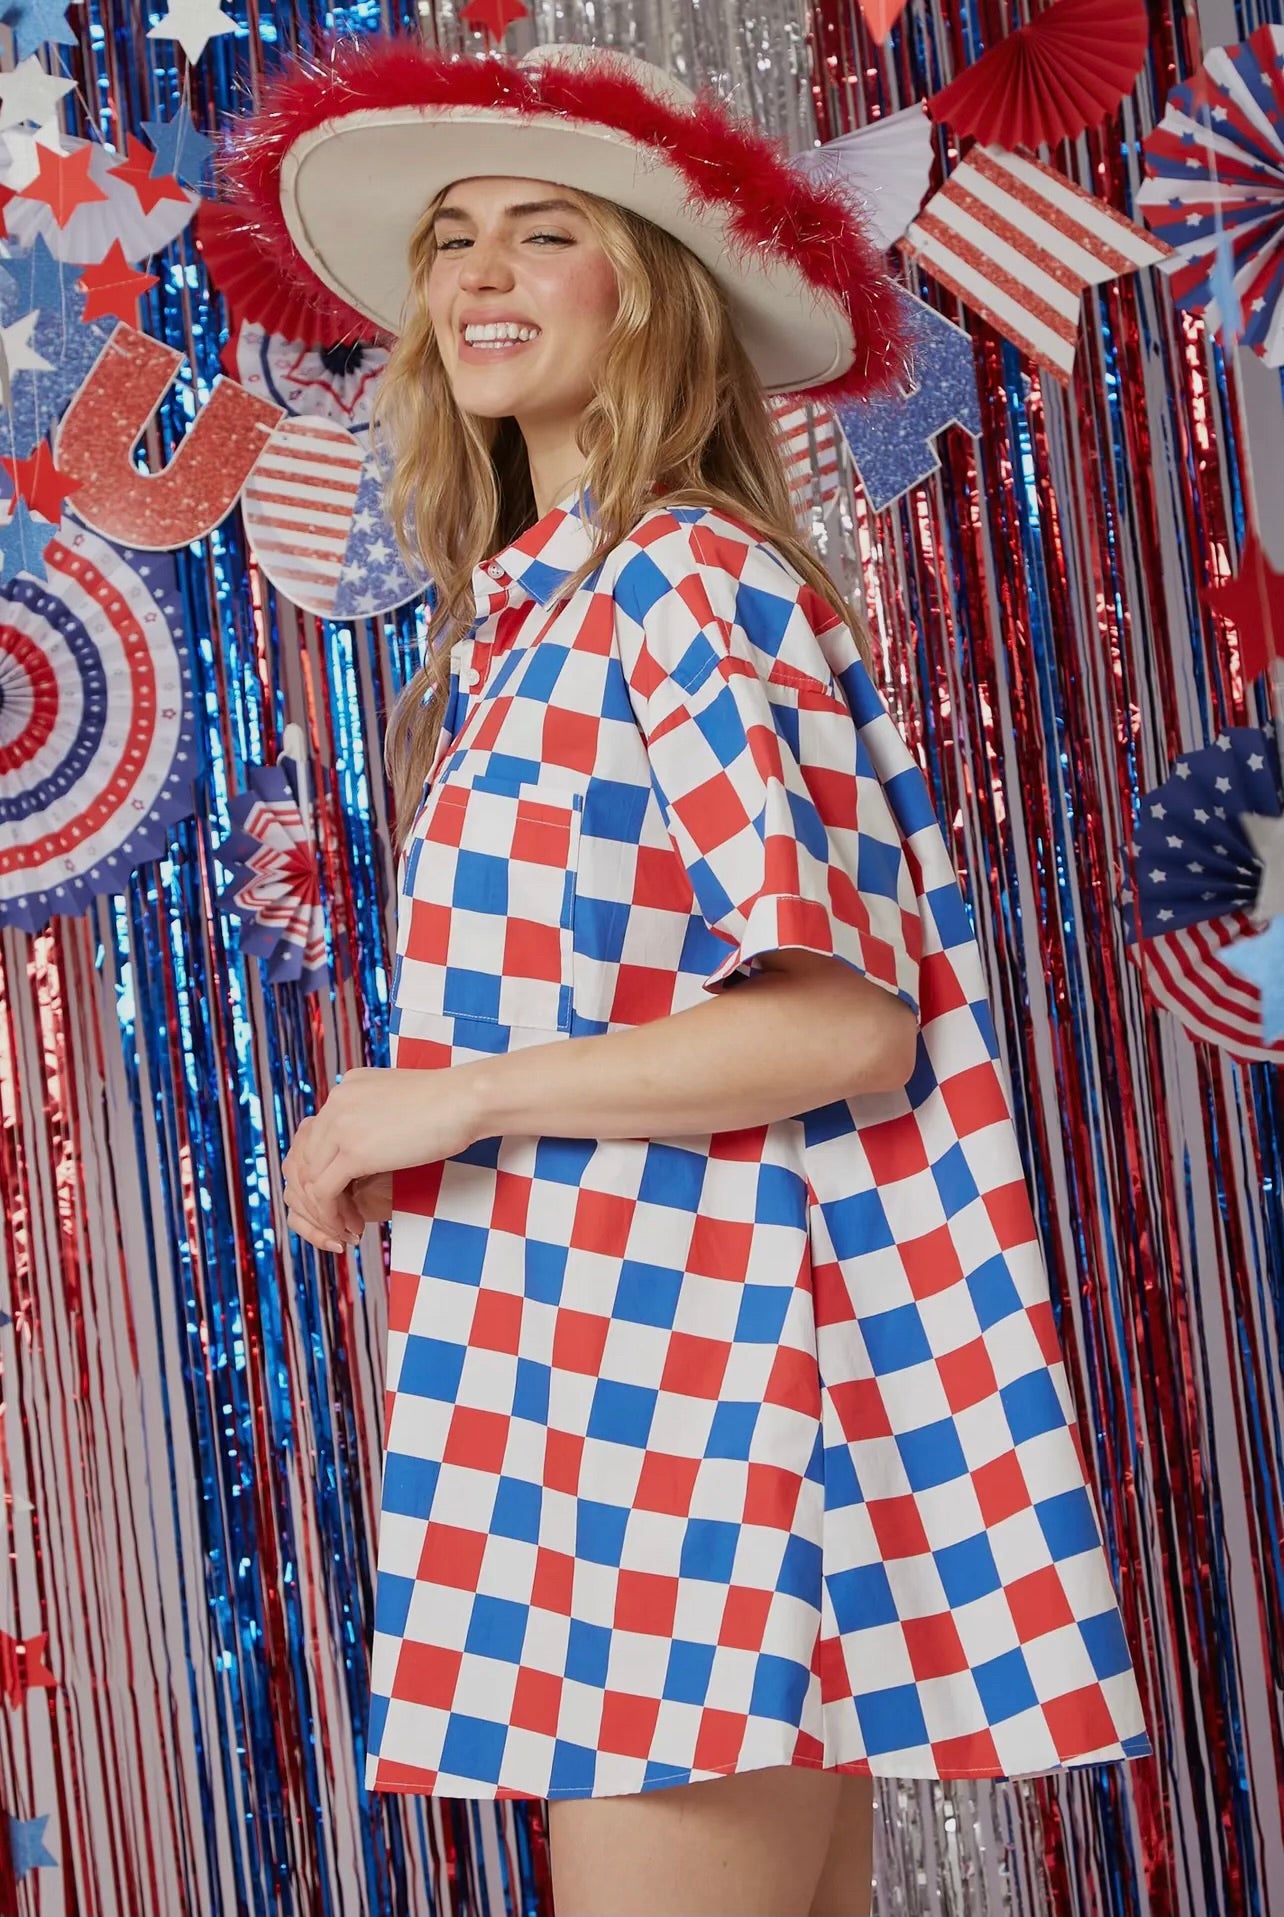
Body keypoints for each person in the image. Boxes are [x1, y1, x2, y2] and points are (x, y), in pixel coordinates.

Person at [221, 36, 1150, 1917]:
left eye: (541, 233)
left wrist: (455, 1093)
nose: (475, 274)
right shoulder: (542, 616)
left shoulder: (680, 584)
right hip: (609, 1400)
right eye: (452, 239)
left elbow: (844, 1019)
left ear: (651, 295)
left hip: (686, 1425)